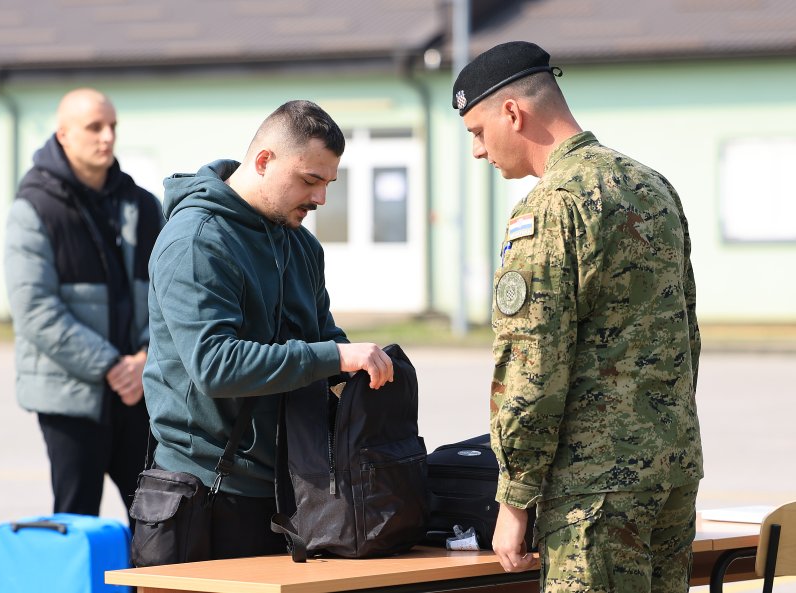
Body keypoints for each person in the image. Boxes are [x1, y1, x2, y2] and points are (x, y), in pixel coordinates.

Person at [452, 41, 702, 591]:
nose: (477, 150)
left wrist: (515, 500)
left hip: (594, 492)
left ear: (513, 113)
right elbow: (686, 333)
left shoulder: (550, 207)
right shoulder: (652, 187)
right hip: (671, 471)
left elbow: (531, 367)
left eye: (476, 131)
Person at [141, 99, 394, 562]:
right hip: (203, 496)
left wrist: (361, 374)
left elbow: (323, 339)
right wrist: (335, 358)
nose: (320, 198)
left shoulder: (300, 245)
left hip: (290, 493)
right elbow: (215, 366)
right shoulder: (197, 241)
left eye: (328, 183)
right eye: (310, 180)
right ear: (263, 161)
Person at [3, 88, 164, 526]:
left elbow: (169, 297)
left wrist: (145, 359)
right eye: (94, 127)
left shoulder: (144, 206)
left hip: (139, 391)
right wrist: (112, 365)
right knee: (77, 522)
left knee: (158, 519)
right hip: (72, 397)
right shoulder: (34, 208)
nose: (107, 137)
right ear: (63, 135)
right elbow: (34, 308)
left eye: (112, 126)